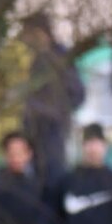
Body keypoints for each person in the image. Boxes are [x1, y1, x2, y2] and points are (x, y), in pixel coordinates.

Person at [21, 13, 85, 197]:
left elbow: (78, 93)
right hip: (35, 128)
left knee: (53, 177)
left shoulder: (60, 58)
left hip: (52, 128)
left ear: (40, 33)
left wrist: (54, 112)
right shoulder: (36, 59)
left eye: (28, 33)